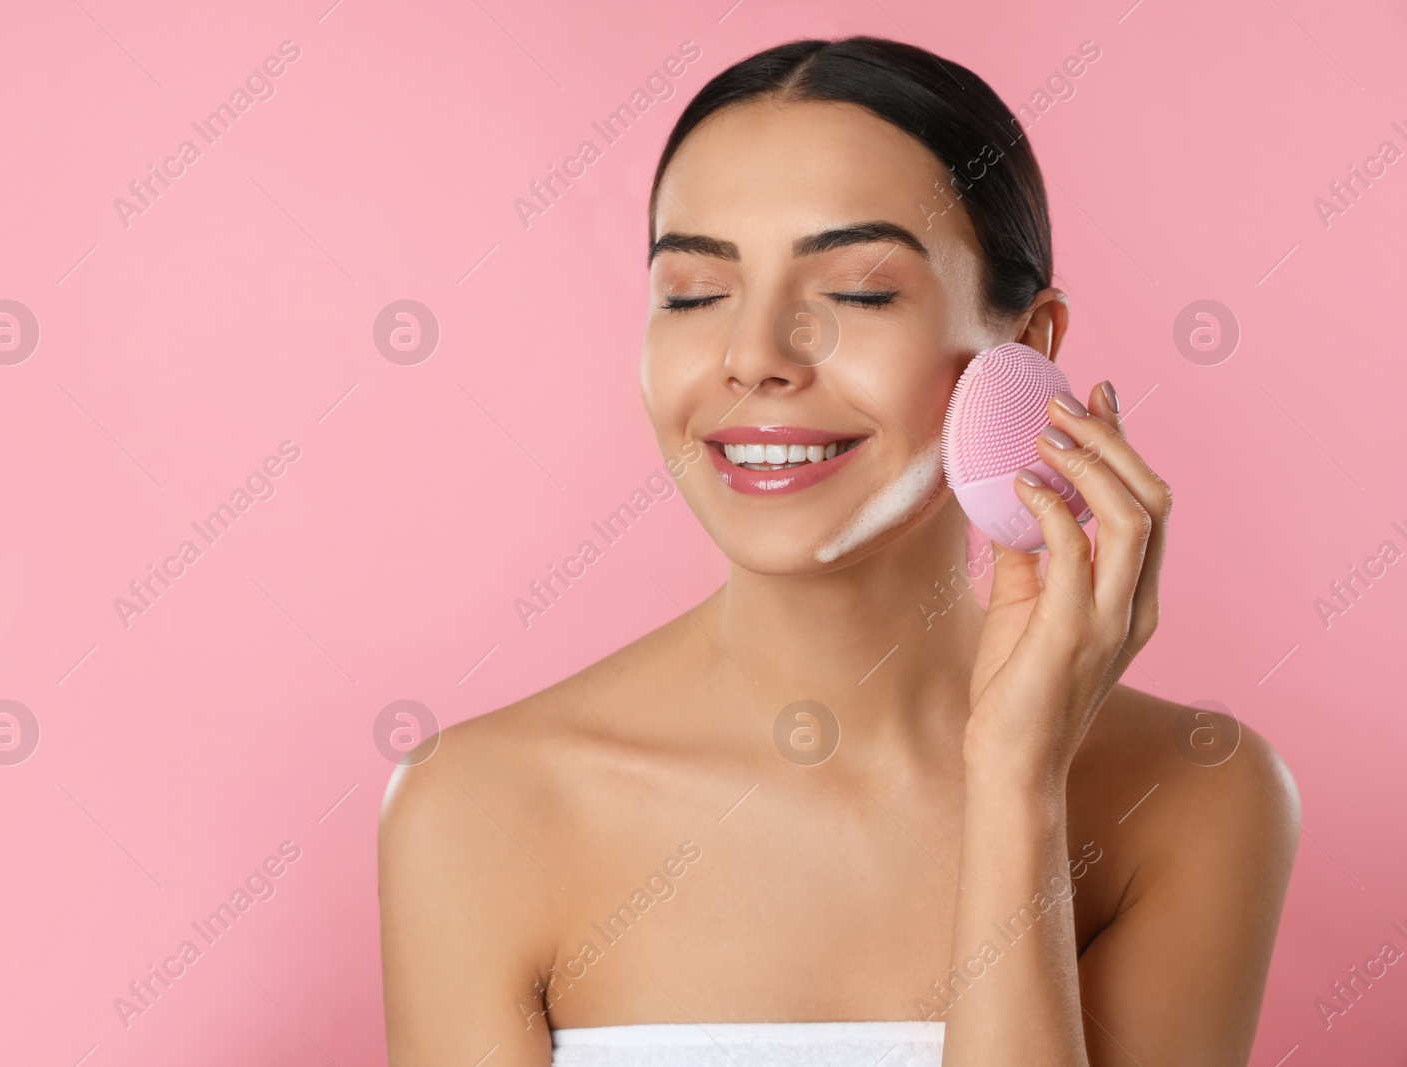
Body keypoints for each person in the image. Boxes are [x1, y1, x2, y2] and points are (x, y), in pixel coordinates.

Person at [380, 35, 1299, 1067]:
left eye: (858, 291)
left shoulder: (1193, 795)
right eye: (691, 292)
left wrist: (1013, 780)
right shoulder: (476, 804)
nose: (756, 356)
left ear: (1028, 348)